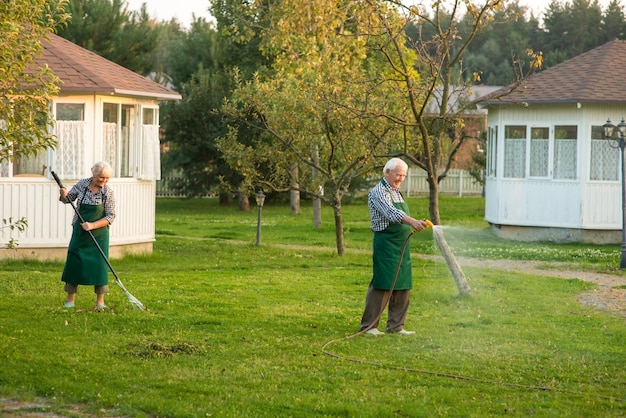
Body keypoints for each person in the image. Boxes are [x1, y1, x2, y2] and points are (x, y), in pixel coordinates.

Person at [359, 158, 428, 335]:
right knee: (383, 283)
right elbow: (391, 212)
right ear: (387, 172)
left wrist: (417, 225)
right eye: (398, 174)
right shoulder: (378, 192)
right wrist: (412, 221)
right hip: (386, 244)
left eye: (403, 175)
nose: (401, 179)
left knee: (403, 284)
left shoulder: (396, 192)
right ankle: (369, 326)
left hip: (401, 245)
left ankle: (396, 326)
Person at [59, 161, 116, 311]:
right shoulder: (82, 184)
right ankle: (70, 300)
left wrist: (92, 225)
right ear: (94, 174)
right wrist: (63, 195)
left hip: (99, 235)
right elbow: (68, 200)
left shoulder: (107, 192)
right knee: (74, 262)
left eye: (106, 179)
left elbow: (110, 216)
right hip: (80, 232)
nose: (103, 181)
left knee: (100, 266)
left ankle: (100, 302)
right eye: (101, 178)